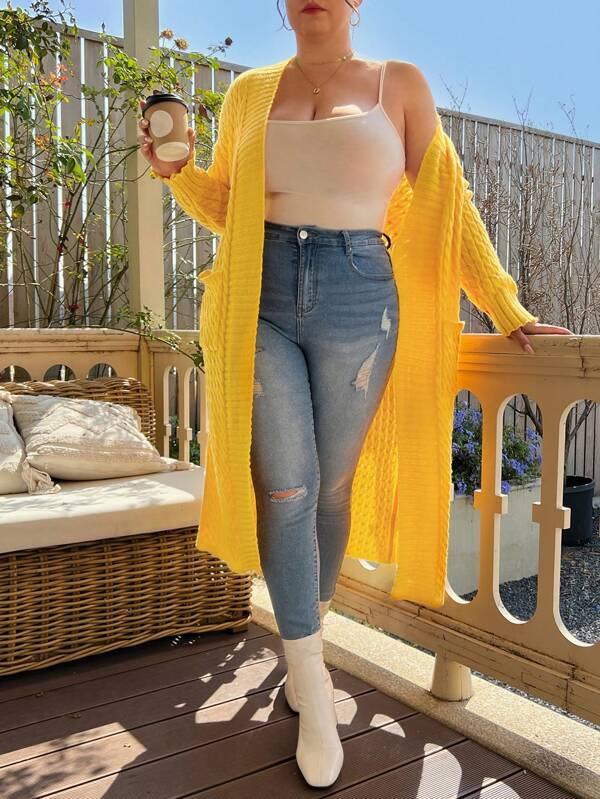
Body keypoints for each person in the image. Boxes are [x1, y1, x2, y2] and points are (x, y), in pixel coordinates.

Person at [138, 0, 572, 788]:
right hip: (257, 297)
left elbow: (449, 206)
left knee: (331, 489)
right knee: (287, 487)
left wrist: (507, 306)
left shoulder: (398, 85)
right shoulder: (250, 93)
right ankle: (312, 677)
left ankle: (306, 644)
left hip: (359, 297)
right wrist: (179, 176)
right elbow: (228, 207)